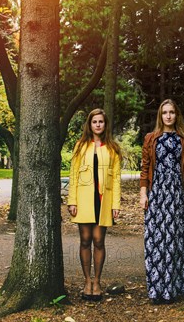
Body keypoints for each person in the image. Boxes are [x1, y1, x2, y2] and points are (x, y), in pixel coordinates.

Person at [139, 99, 184, 304]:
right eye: (165, 112)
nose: (168, 116)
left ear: (176, 115)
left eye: (172, 112)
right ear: (160, 116)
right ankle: (157, 291)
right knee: (155, 240)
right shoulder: (151, 138)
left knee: (176, 240)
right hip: (156, 193)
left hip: (177, 194)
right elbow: (145, 168)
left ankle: (174, 289)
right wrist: (143, 193)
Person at [67, 108, 121, 301]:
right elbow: (73, 175)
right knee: (85, 240)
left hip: (103, 201)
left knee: (99, 240)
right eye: (94, 122)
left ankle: (97, 281)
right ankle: (87, 280)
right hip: (83, 199)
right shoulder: (80, 146)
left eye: (101, 122)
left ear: (105, 125)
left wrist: (116, 204)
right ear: (89, 125)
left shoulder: (112, 148)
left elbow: (116, 179)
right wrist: (71, 200)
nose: (98, 124)